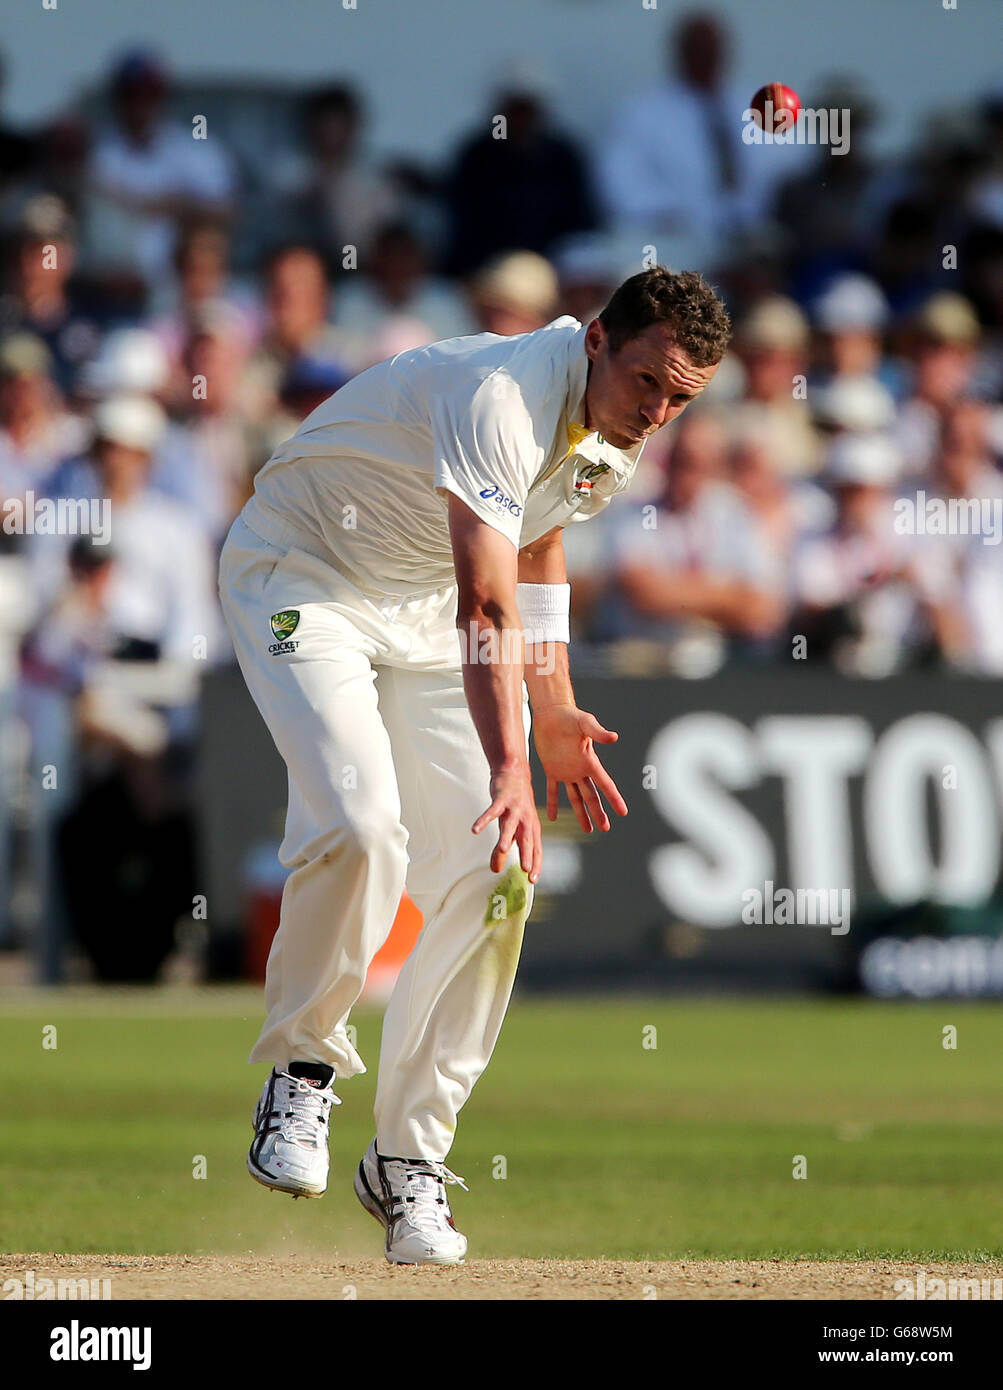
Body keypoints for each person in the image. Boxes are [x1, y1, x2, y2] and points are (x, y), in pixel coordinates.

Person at [217, 266, 729, 1264]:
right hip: (302, 574)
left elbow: (536, 555)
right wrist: (509, 763)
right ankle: (303, 1071)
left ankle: (407, 1160)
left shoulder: (613, 430)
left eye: (681, 399)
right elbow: (485, 606)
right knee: (362, 826)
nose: (657, 414)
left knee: (500, 876)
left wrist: (556, 707)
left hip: (414, 612)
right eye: (647, 385)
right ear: (593, 340)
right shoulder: (501, 398)